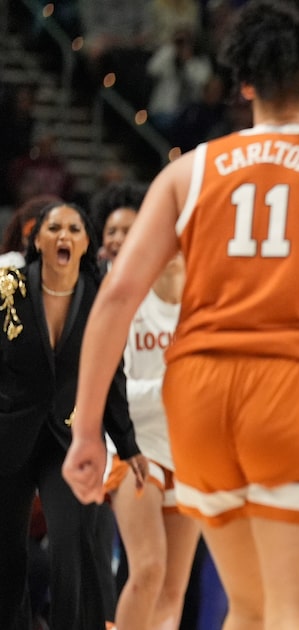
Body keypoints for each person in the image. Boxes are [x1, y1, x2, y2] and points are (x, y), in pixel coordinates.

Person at [60, 3, 299, 629]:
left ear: (247, 85)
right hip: (298, 389)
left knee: (252, 610)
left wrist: (88, 428)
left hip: (200, 400)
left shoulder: (189, 169)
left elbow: (117, 296)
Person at [0, 202, 146, 630]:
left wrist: (129, 444)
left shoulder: (102, 297)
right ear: (38, 240)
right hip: (10, 434)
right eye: (54, 228)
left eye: (74, 229)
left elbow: (112, 375)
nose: (64, 235)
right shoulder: (9, 289)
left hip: (70, 438)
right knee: (8, 553)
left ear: (86, 243)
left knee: (71, 545)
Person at [104, 250, 201, 630]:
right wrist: (171, 388)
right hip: (136, 449)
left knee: (172, 590)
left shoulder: (207, 309)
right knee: (147, 569)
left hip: (189, 454)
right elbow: (116, 394)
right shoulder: (130, 303)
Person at [90, 181, 146, 266]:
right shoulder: (91, 277)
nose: (117, 239)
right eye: (111, 232)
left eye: (128, 232)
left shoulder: (160, 276)